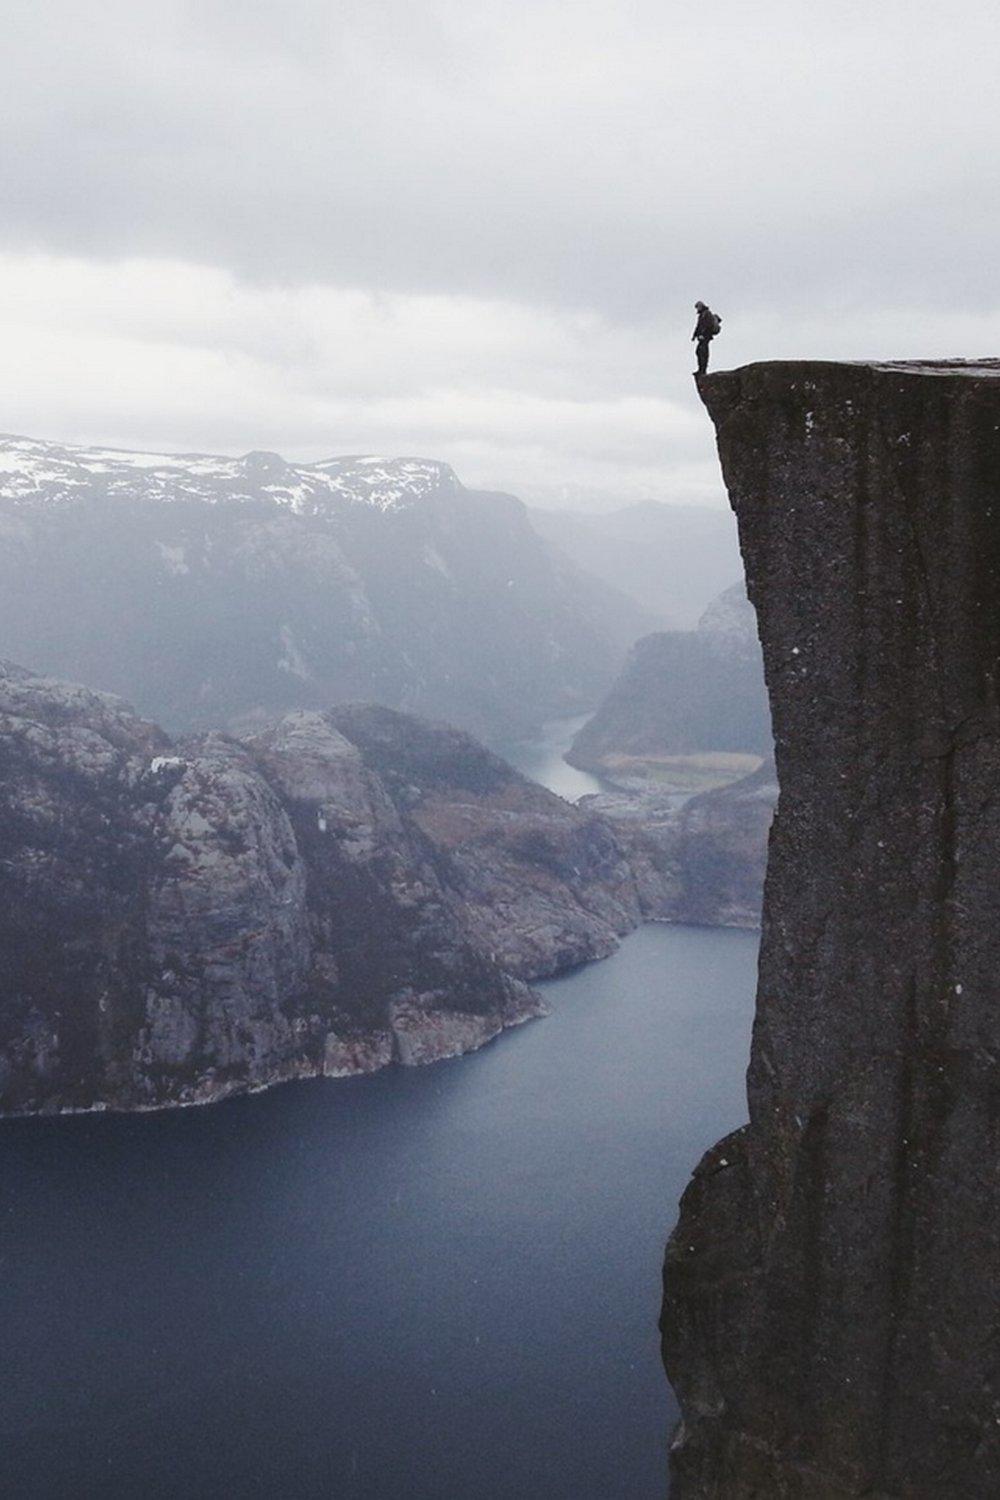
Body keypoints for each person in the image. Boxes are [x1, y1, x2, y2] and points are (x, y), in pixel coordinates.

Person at [692, 301, 720, 375]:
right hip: (702, 336)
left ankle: (703, 369)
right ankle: (701, 368)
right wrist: (694, 335)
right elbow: (698, 326)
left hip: (705, 336)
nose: (697, 309)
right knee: (699, 351)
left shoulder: (707, 314)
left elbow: (707, 325)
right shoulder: (702, 315)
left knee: (702, 352)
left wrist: (703, 334)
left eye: (697, 307)